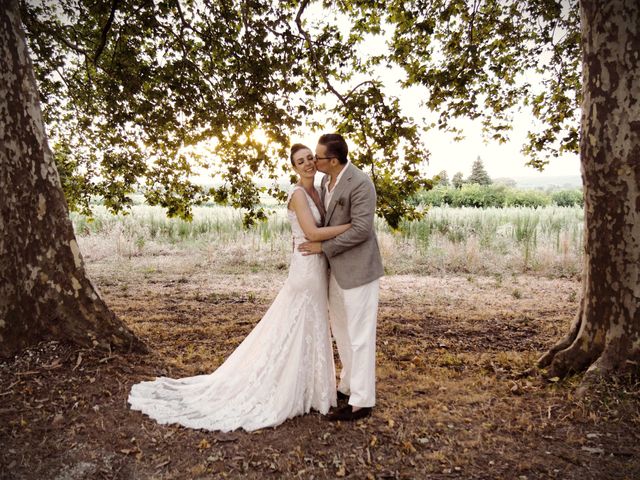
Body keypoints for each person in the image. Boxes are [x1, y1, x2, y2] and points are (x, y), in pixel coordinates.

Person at [127, 144, 351, 432]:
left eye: (310, 158)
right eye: (300, 161)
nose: (308, 164)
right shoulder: (297, 195)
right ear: (293, 168)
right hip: (306, 270)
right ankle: (287, 388)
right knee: (298, 326)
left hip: (318, 269)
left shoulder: (318, 190)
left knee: (311, 326)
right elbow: (311, 233)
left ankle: (311, 389)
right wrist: (349, 228)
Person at [298, 133, 384, 422]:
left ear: (332, 161)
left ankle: (362, 402)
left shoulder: (360, 183)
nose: (314, 161)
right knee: (343, 334)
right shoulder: (325, 181)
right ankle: (348, 387)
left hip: (359, 271)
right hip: (336, 272)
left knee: (361, 337)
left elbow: (361, 230)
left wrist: (323, 246)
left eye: (318, 157)